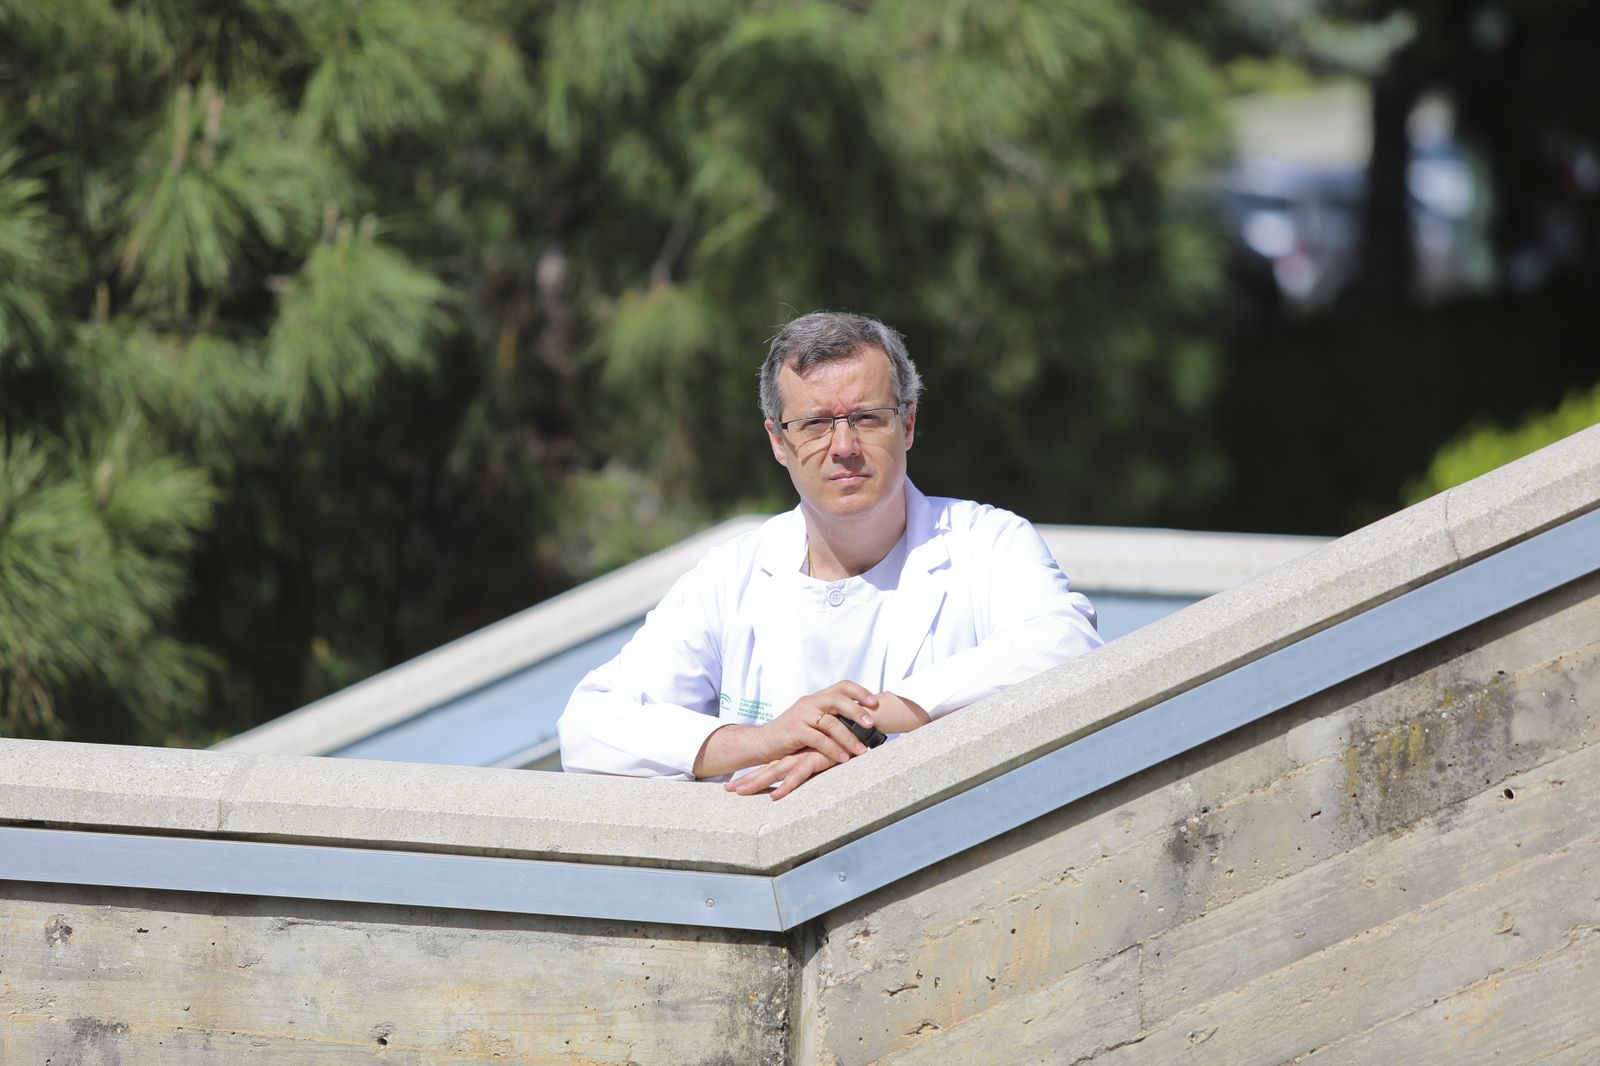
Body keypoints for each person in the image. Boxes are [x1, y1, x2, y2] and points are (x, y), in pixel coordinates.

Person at [558, 311, 1102, 798]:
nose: (843, 446)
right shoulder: (729, 578)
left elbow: (1068, 647)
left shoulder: (987, 541)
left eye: (867, 417)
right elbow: (587, 730)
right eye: (815, 423)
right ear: (777, 441)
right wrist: (762, 740)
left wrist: (864, 723)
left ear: (907, 424)